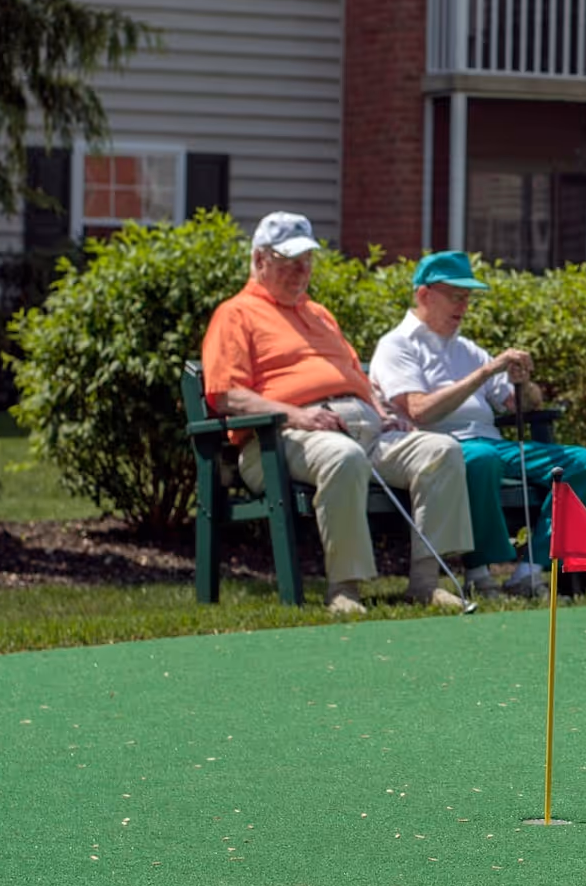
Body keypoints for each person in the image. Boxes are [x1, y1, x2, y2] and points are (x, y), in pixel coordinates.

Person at [201, 212, 474, 614]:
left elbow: (351, 377)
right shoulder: (235, 314)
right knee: (343, 458)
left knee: (442, 451)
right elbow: (226, 395)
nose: (301, 271)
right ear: (260, 261)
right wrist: (295, 415)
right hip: (279, 440)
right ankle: (345, 589)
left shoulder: (319, 313)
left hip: (361, 429)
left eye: (306, 261)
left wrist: (380, 411)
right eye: (289, 262)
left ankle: (426, 582)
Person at [368, 251, 586, 599]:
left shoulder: (467, 348)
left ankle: (532, 569)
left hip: (493, 444)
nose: (463, 306)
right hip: (440, 448)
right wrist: (484, 372)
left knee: (584, 463)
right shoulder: (397, 346)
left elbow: (520, 405)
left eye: (467, 298)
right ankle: (480, 571)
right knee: (481, 458)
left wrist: (524, 382)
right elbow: (418, 411)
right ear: (424, 295)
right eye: (456, 296)